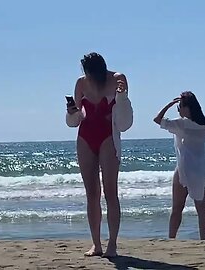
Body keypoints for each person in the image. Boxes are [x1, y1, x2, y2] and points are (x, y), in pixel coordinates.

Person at [65, 52, 133, 257]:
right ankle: (96, 244)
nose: (88, 76)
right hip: (86, 136)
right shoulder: (81, 83)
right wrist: (71, 112)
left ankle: (112, 243)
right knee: (92, 194)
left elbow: (125, 121)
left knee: (110, 192)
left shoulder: (117, 78)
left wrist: (121, 96)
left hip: (108, 136)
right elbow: (75, 120)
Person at [153, 91, 205, 240]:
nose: (179, 110)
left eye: (180, 107)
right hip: (201, 168)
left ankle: (172, 238)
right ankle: (203, 240)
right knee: (201, 207)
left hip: (185, 168)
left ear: (187, 108)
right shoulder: (203, 125)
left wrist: (169, 104)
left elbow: (157, 119)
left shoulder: (182, 124)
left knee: (177, 207)